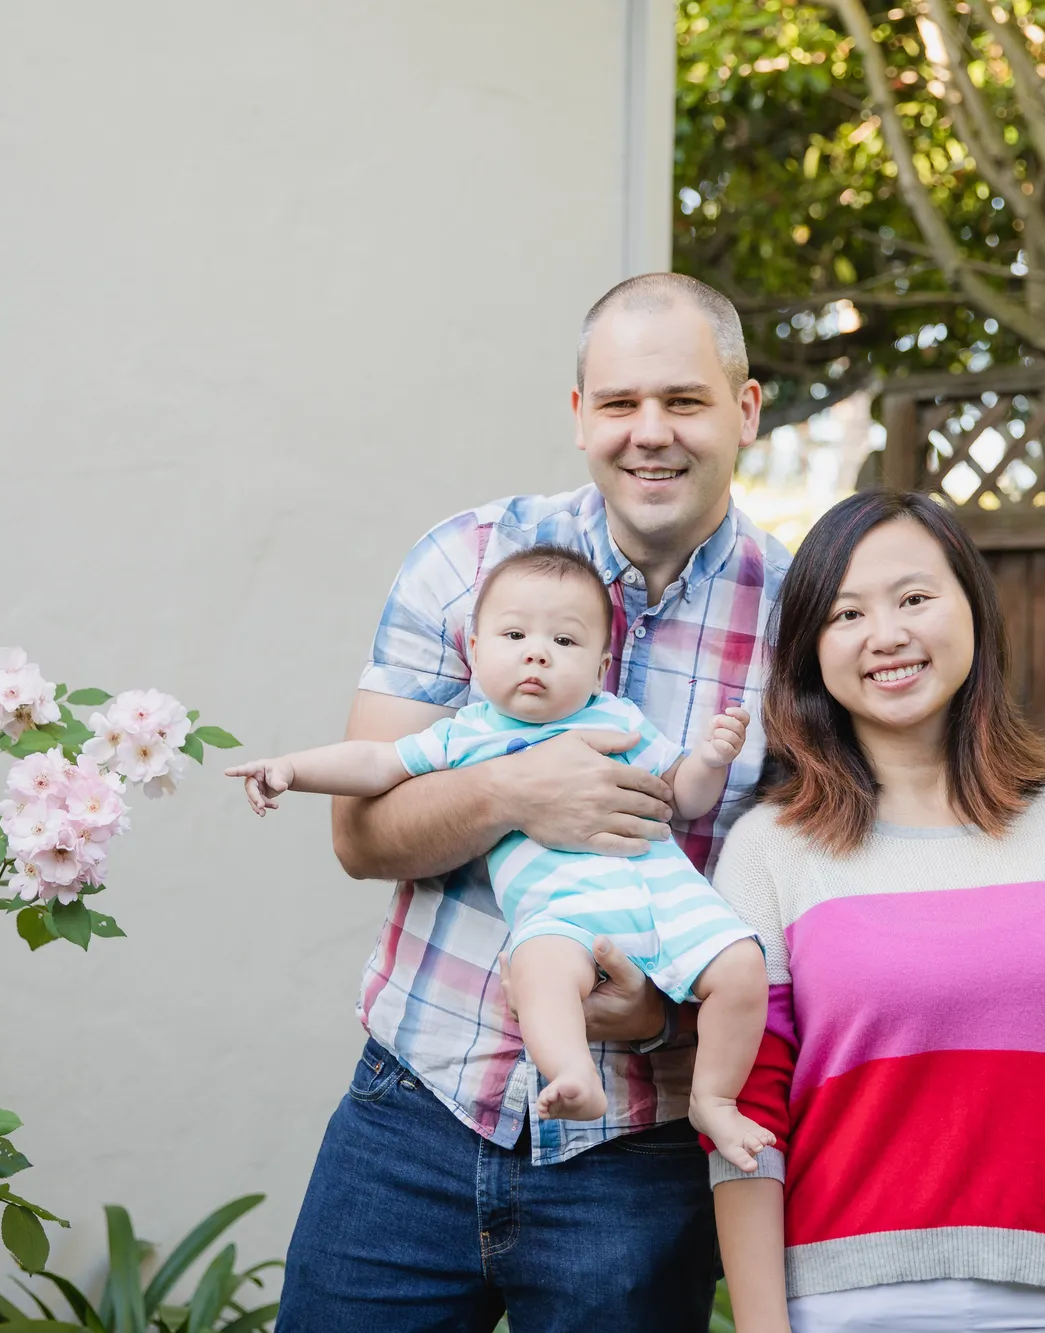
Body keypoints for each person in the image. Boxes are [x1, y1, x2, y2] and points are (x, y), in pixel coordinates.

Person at [275, 272, 793, 1333]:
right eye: (617, 404)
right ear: (577, 418)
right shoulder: (465, 563)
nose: (648, 433)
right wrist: (516, 789)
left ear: (743, 410)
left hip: (636, 1163)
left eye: (683, 401)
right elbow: (359, 836)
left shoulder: (801, 625)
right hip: (412, 1113)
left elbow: (802, 910)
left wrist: (660, 1016)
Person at [711, 490, 1045, 1333]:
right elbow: (749, 1114)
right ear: (810, 650)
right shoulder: (766, 849)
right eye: (846, 612)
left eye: (914, 598)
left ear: (973, 607)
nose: (885, 633)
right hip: (842, 1310)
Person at [223, 544, 774, 1164]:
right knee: (541, 975)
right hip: (563, 914)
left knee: (743, 967)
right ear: (477, 652)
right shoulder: (469, 734)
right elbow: (376, 762)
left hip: (666, 896)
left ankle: (714, 1099)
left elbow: (683, 798)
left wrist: (708, 760)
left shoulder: (620, 719)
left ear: (600, 666)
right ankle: (572, 1075)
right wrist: (290, 769)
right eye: (514, 635)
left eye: (566, 642)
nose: (537, 652)